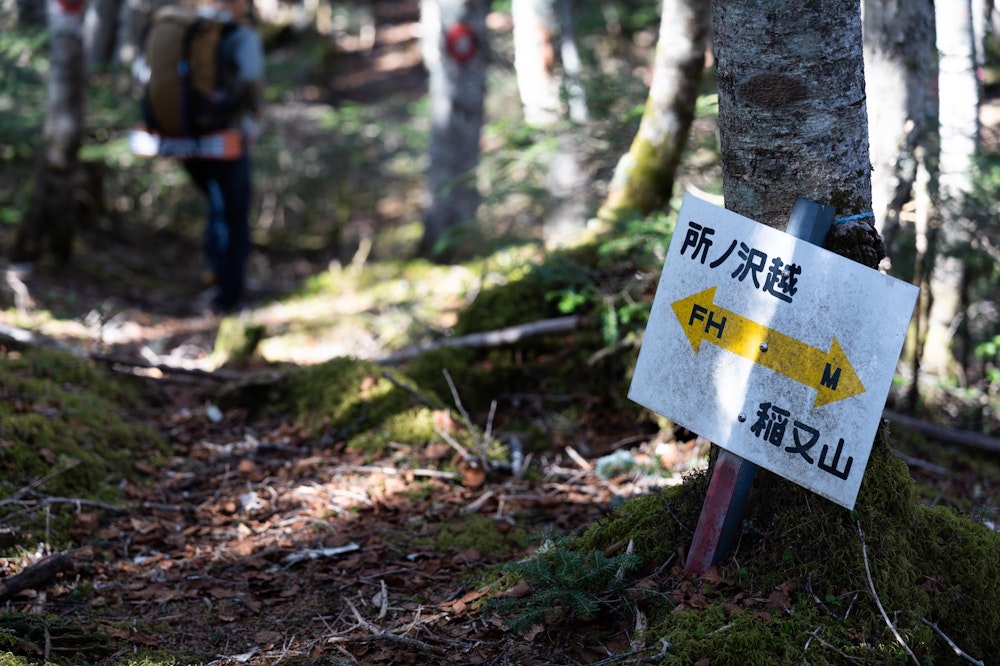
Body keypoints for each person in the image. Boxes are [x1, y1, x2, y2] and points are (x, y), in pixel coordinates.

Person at [182, 0, 264, 314]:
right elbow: (251, 77)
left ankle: (213, 272)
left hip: (185, 138)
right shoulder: (242, 37)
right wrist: (250, 115)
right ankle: (228, 297)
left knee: (218, 204)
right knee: (233, 213)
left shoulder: (185, 31)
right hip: (227, 136)